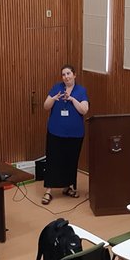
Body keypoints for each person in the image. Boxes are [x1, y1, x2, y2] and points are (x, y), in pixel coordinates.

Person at [41, 64, 89, 205]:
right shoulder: (57, 88)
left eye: (68, 73)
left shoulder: (81, 91)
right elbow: (46, 106)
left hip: (75, 134)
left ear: (74, 75)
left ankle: (67, 187)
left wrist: (72, 99)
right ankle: (48, 191)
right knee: (53, 160)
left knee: (70, 161)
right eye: (63, 74)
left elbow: (84, 110)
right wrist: (54, 98)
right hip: (56, 131)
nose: (66, 77)